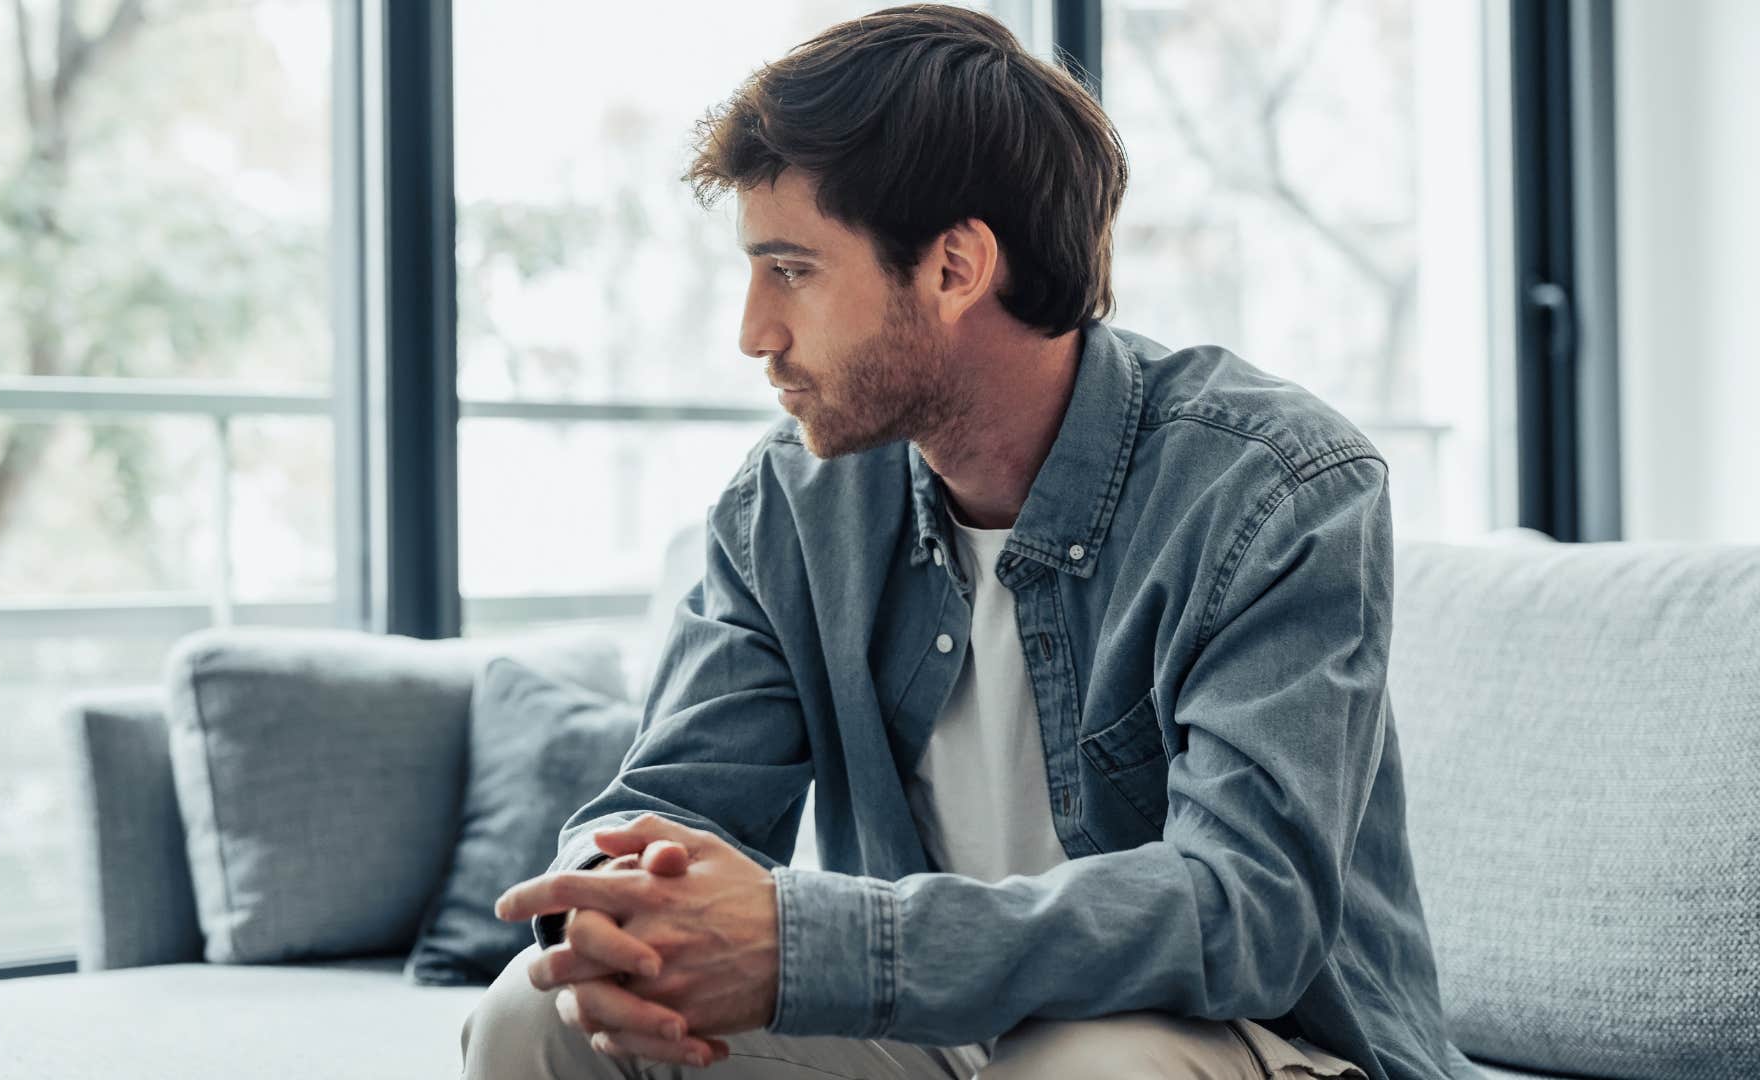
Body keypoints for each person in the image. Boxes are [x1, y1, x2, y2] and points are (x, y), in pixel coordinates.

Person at [463, 5, 1477, 1078]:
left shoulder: (1274, 488)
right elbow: (664, 804)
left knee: (1086, 1065)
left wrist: (818, 943)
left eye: (793, 269)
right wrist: (609, 916)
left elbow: (1245, 912)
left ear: (955, 266)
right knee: (537, 1016)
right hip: (937, 1038)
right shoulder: (792, 505)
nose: (754, 330)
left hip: (1242, 1041)